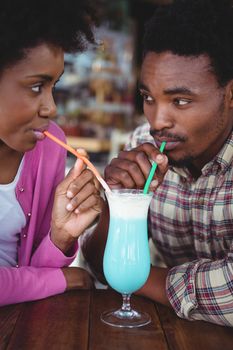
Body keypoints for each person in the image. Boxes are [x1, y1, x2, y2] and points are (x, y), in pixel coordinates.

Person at [80, 0, 233, 327]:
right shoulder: (141, 147)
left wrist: (134, 276)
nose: (158, 120)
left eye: (180, 100)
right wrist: (114, 204)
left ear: (230, 94)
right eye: (149, 98)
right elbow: (95, 263)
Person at [0, 0, 103, 306]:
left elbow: (35, 272)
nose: (52, 107)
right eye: (36, 87)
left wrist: (60, 235)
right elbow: (47, 280)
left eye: (53, 86)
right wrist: (58, 279)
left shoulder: (47, 146)